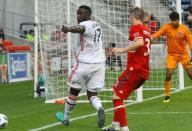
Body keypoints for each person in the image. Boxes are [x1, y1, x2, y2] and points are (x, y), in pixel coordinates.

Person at [55, 5, 106, 128]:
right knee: (92, 94)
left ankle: (66, 118)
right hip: (99, 64)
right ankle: (100, 108)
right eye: (77, 14)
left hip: (84, 64)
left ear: (88, 15)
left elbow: (80, 28)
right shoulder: (97, 25)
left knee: (73, 92)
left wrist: (67, 28)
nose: (78, 16)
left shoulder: (86, 24)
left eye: (81, 14)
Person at [103, 7, 151, 131]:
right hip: (143, 72)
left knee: (116, 97)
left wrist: (121, 50)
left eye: (130, 17)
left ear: (133, 17)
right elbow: (141, 43)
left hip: (134, 70)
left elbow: (139, 43)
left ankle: (124, 129)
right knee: (119, 96)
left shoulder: (136, 28)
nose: (129, 19)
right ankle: (114, 125)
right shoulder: (146, 30)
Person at [152, 11, 192, 103]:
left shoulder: (185, 29)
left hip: (183, 55)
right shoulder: (167, 27)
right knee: (168, 75)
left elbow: (191, 42)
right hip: (171, 55)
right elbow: (159, 33)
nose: (173, 22)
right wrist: (152, 37)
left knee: (190, 74)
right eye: (172, 21)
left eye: (175, 20)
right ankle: (167, 95)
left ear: (178, 20)